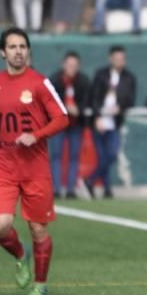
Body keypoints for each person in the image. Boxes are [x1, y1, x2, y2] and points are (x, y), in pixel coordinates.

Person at [0, 27, 69, 295]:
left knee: (38, 229)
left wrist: (36, 135)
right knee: (0, 226)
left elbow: (62, 118)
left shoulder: (40, 83)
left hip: (35, 169)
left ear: (28, 51)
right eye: (12, 47)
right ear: (2, 52)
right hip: (3, 166)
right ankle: (19, 255)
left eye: (23, 47)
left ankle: (40, 286)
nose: (18, 51)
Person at [86, 45, 136, 199]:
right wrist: (97, 117)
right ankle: (107, 189)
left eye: (122, 58)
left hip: (115, 122)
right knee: (101, 156)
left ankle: (91, 179)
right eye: (116, 58)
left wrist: (120, 107)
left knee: (112, 154)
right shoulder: (101, 75)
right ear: (111, 59)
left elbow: (130, 99)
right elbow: (94, 97)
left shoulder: (129, 77)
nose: (120, 61)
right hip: (100, 121)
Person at [48, 52, 91, 199]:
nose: (72, 68)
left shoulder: (83, 81)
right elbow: (48, 100)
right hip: (58, 124)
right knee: (56, 156)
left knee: (74, 156)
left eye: (74, 65)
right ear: (63, 65)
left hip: (76, 124)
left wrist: (78, 108)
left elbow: (87, 99)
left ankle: (71, 189)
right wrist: (65, 107)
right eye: (69, 65)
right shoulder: (54, 80)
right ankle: (56, 189)